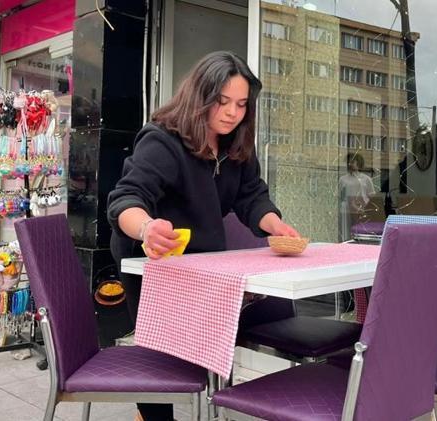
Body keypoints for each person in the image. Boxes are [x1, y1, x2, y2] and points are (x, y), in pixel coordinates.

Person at [107, 51, 299, 421]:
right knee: (159, 350)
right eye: (222, 102)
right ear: (200, 96)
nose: (232, 113)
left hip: (202, 260)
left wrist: (274, 224)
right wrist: (147, 227)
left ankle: (207, 407)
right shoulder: (163, 140)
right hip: (150, 256)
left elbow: (252, 196)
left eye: (241, 104)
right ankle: (152, 417)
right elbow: (126, 198)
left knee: (205, 345)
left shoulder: (236, 144)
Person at [338, 152, 376, 241]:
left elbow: (371, 196)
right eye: (348, 162)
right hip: (347, 210)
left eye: (352, 162)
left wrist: (368, 209)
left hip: (362, 209)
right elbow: (340, 196)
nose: (349, 164)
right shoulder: (343, 179)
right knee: (347, 233)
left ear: (358, 163)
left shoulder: (366, 179)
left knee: (361, 232)